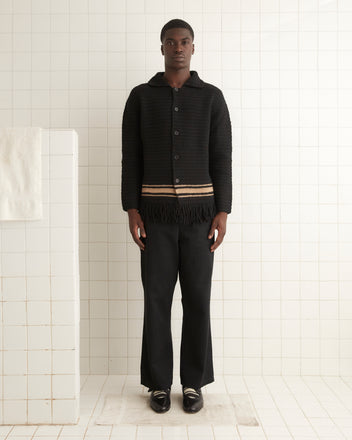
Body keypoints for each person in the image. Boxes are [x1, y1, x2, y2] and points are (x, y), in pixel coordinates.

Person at [121, 18, 232, 414]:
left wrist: (222, 211)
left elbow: (222, 156)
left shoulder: (212, 98)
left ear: (193, 47)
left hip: (202, 216)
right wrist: (131, 208)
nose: (178, 48)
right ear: (162, 47)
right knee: (156, 300)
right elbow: (130, 157)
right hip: (154, 217)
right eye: (171, 42)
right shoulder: (141, 97)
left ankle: (193, 384)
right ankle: (157, 384)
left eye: (185, 42)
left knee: (198, 299)